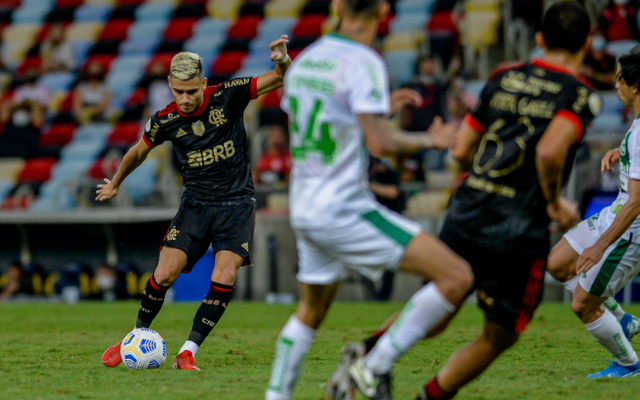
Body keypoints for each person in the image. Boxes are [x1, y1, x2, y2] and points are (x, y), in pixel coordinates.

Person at [343, 3, 607, 399]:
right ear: (587, 43)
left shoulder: (504, 77)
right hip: (518, 226)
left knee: (441, 298)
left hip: (469, 208)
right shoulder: (580, 95)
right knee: (500, 333)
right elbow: (551, 152)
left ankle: (368, 352)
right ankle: (423, 394)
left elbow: (462, 149)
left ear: (538, 39)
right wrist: (552, 200)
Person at [264, 1, 473, 399]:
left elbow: (325, 120)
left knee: (310, 311)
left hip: (304, 207)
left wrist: (372, 110)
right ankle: (369, 368)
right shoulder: (363, 61)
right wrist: (433, 139)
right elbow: (381, 142)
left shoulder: (306, 61)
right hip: (344, 209)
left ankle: (276, 396)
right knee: (456, 277)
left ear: (337, 5)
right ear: (382, 8)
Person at [98, 36, 292, 371]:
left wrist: (282, 61)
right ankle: (134, 337)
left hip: (236, 203)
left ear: (204, 83)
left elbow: (278, 78)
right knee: (165, 272)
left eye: (192, 91)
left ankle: (187, 352)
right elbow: (138, 152)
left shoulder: (229, 94)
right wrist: (116, 182)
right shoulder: (165, 119)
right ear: (170, 86)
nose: (185, 99)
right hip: (196, 204)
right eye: (178, 92)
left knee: (225, 275)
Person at [546, 50, 640, 378]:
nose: (615, 85)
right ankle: (622, 319)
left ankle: (630, 365)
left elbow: (637, 203)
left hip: (631, 228)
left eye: (620, 79)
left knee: (582, 305)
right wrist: (623, 152)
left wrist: (600, 246)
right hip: (614, 213)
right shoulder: (638, 126)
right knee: (557, 263)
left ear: (636, 86)